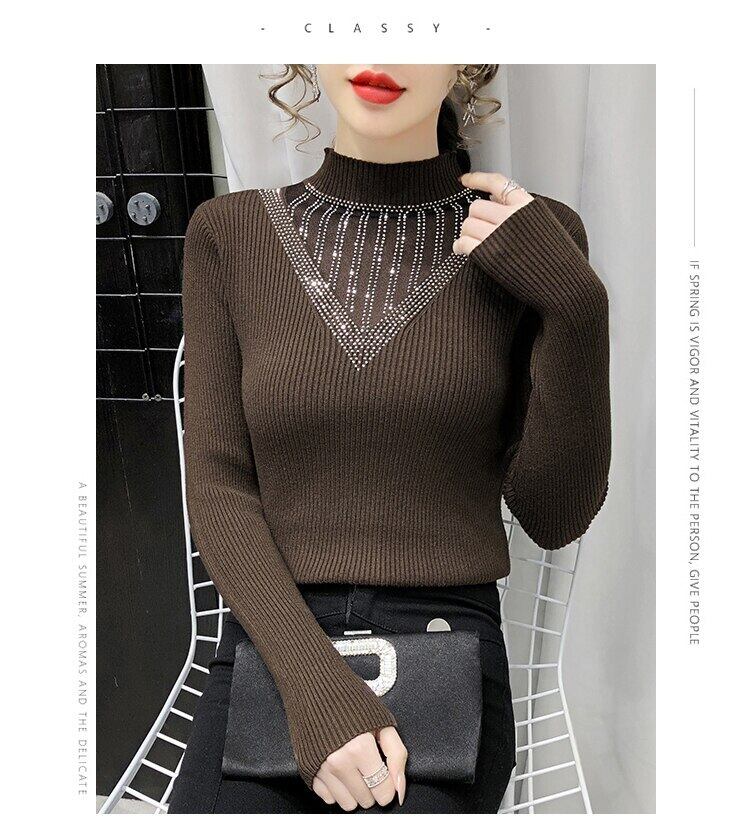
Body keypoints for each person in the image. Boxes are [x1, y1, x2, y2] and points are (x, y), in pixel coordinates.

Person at [168, 64, 611, 814]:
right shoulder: (229, 233)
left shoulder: (535, 236)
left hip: (448, 650)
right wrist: (319, 694)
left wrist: (576, 308)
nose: (380, 45)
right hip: (274, 644)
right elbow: (218, 486)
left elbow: (555, 515)